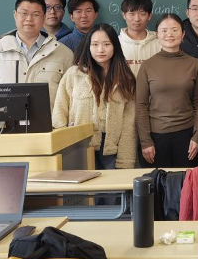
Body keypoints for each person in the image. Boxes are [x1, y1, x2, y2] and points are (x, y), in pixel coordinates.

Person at [52, 24, 138, 170]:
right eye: (95, 44)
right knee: (84, 184)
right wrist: (64, 145)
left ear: (115, 46)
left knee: (112, 184)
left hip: (112, 148)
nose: (100, 50)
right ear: (88, 46)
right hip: (79, 147)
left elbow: (129, 124)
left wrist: (125, 160)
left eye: (106, 44)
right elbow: (59, 112)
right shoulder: (74, 74)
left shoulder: (126, 79)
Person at [0, 0, 74, 109]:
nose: (29, 19)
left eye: (36, 14)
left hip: (51, 120)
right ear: (15, 15)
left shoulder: (63, 53)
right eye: (24, 13)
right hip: (5, 120)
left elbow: (71, 97)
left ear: (43, 17)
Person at [136, 14, 198, 168]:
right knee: (159, 182)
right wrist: (145, 141)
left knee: (185, 181)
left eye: (174, 30)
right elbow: (141, 106)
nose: (169, 34)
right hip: (156, 137)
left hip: (187, 136)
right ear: (157, 35)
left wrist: (197, 136)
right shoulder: (147, 66)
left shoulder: (194, 64)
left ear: (183, 34)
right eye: (164, 30)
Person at [119, 0, 161, 75]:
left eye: (142, 14)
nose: (137, 19)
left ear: (149, 16)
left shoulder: (159, 44)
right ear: (124, 15)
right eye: (132, 14)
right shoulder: (116, 43)